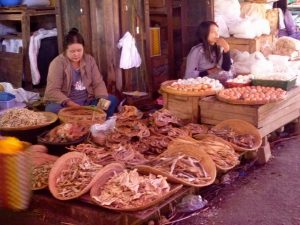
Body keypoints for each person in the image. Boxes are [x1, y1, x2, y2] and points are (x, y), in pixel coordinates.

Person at [44, 28, 118, 117]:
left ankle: (98, 123)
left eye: (79, 50)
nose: (76, 54)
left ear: (83, 48)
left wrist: (101, 99)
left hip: (88, 101)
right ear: (65, 50)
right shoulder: (57, 63)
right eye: (72, 51)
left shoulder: (89, 60)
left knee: (111, 100)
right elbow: (52, 90)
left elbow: (98, 83)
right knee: (52, 109)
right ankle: (81, 119)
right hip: (67, 104)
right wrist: (72, 105)